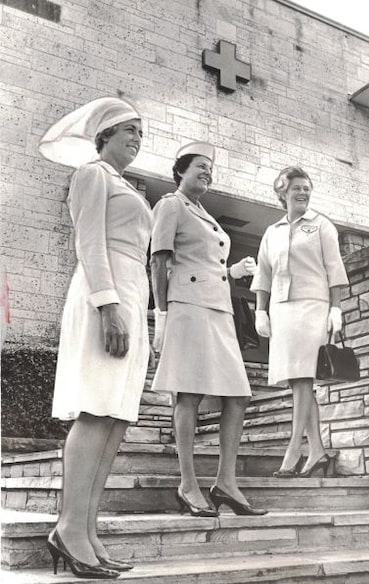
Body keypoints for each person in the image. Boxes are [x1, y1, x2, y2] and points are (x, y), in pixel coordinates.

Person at [38, 97, 153, 578]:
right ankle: (68, 527)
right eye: (128, 130)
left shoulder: (128, 186)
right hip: (102, 295)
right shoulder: (92, 174)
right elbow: (88, 242)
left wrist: (134, 311)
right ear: (103, 136)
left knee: (116, 417)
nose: (136, 139)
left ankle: (87, 529)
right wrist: (108, 306)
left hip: (132, 295)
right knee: (95, 410)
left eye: (141, 134)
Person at [150, 141, 267, 517]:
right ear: (180, 171)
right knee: (190, 394)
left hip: (218, 311)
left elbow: (204, 262)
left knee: (238, 396)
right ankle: (187, 485)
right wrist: (161, 316)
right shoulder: (171, 205)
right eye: (200, 166)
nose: (207, 172)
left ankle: (225, 483)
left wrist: (231, 272)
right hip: (187, 308)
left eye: (211, 168)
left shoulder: (204, 213)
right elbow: (159, 261)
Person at [251, 166, 349, 478]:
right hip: (282, 311)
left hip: (313, 308)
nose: (303, 193)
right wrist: (260, 311)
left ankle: (294, 450)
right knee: (297, 382)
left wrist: (336, 309)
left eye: (307, 188)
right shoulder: (272, 232)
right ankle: (317, 451)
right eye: (297, 189)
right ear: (283, 193)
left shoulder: (322, 225)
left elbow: (335, 270)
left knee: (304, 379)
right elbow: (263, 274)